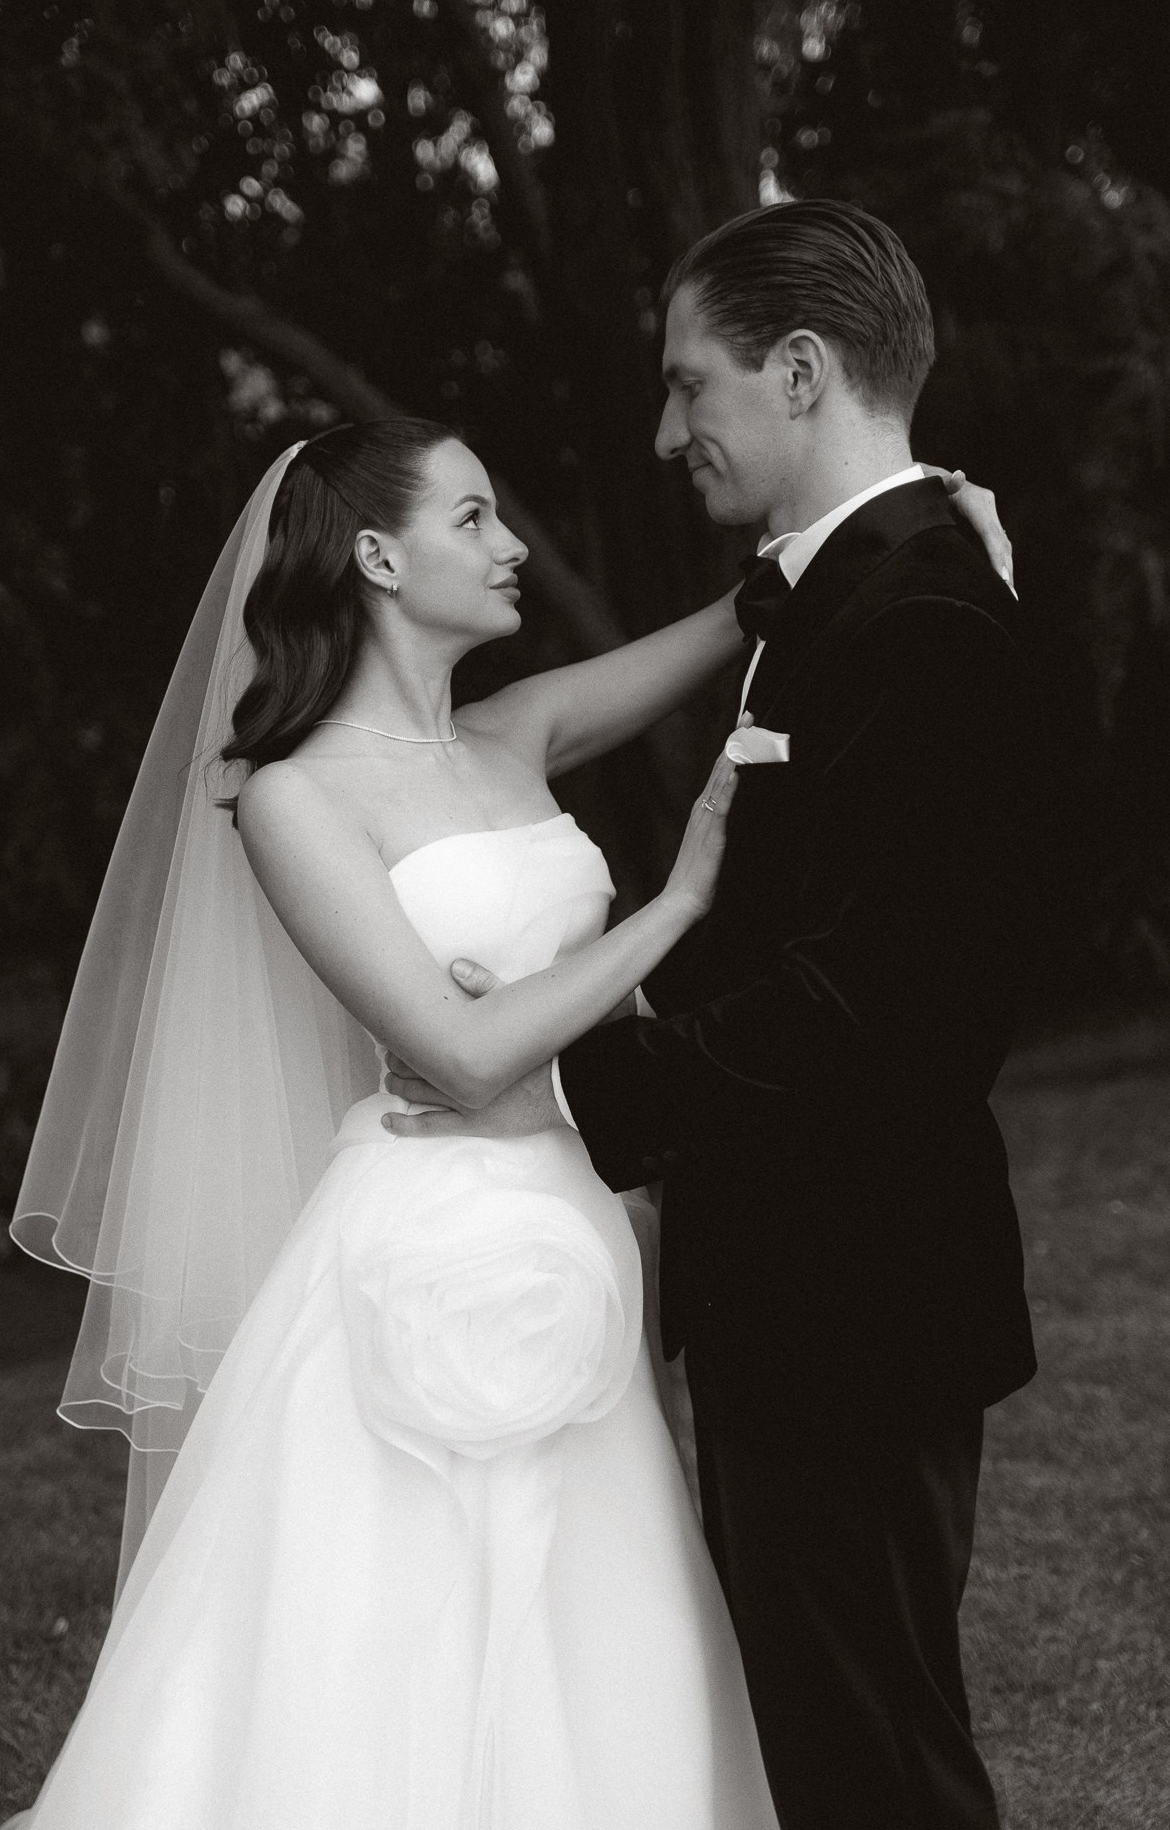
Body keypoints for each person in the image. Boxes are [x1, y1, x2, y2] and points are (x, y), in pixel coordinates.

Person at [5, 379, 1010, 1822]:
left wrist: (935, 517)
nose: (512, 543)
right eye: (473, 517)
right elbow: (465, 1056)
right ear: (377, 556)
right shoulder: (293, 797)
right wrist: (674, 908)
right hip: (428, 1241)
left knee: (599, 1607)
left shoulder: (514, 730)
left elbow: (766, 608)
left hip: (585, 1216)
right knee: (398, 1617)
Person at [383, 201, 1040, 1830]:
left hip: (855, 1293)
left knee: (876, 1764)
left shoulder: (922, 611)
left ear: (800, 372)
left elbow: (883, 1002)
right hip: (798, 1284)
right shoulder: (832, 594)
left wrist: (578, 1075)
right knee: (824, 1744)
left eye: (692, 385)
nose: (667, 432)